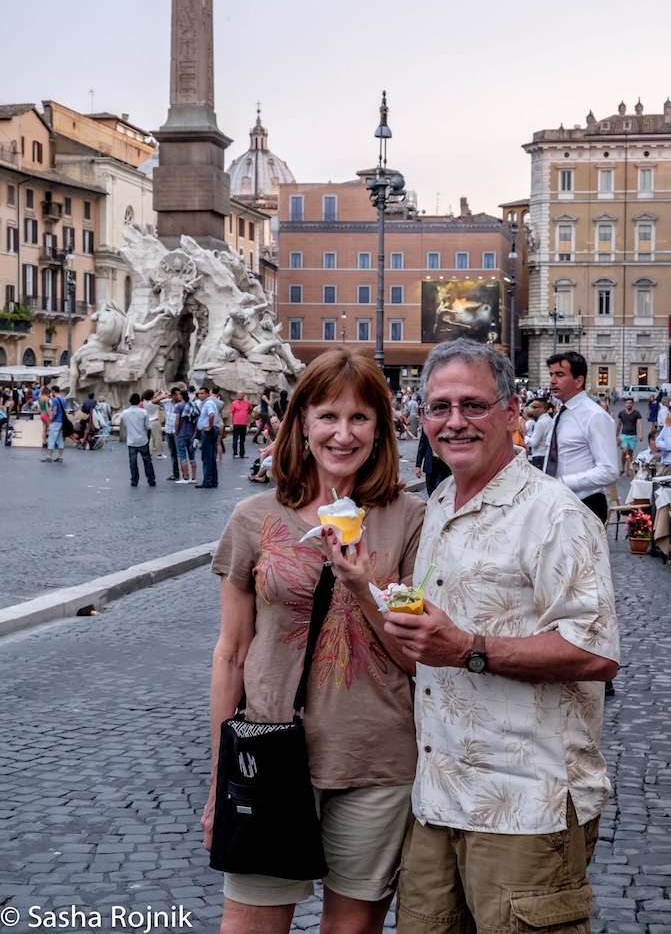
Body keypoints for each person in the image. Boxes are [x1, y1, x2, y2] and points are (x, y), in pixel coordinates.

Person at [383, 338, 619, 934]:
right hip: (437, 797)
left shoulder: (555, 513)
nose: (454, 422)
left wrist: (467, 649)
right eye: (439, 407)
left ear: (512, 413)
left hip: (526, 806)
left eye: (473, 405)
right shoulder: (437, 501)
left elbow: (595, 654)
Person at [202, 347, 425, 934]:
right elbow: (230, 653)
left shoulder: (410, 520)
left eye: (359, 418)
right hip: (270, 756)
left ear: (381, 428)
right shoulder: (254, 519)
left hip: (375, 760)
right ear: (302, 421)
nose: (343, 434)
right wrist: (219, 778)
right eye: (328, 416)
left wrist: (361, 585)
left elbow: (414, 656)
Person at [544, 351, 619, 525]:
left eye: (560, 374)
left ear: (579, 380)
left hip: (585, 505)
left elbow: (609, 471)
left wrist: (562, 482)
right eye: (551, 374)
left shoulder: (595, 416)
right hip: (559, 502)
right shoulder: (561, 413)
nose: (552, 380)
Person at [120, 393, 156, 488]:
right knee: (147, 460)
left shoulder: (124, 413)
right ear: (139, 401)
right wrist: (147, 439)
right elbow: (148, 427)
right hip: (142, 439)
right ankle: (151, 479)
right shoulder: (143, 412)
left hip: (131, 440)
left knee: (133, 461)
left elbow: (124, 424)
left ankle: (134, 480)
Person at [415, 427, 450, 496]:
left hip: (444, 463)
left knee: (441, 488)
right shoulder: (426, 426)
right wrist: (418, 465)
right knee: (430, 489)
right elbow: (422, 445)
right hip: (431, 462)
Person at [195, 386, 219, 489]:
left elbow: (211, 415)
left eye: (202, 393)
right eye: (199, 393)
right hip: (212, 431)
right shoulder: (209, 403)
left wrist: (209, 426)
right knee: (211, 457)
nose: (200, 395)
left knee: (207, 457)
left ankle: (207, 481)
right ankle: (213, 480)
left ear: (208, 393)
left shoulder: (208, 403)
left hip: (208, 432)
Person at [157, 387, 182, 480]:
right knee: (173, 454)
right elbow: (153, 402)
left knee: (181, 453)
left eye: (179, 394)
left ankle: (185, 473)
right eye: (176, 394)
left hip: (178, 432)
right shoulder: (166, 402)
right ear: (172, 395)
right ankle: (175, 473)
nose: (178, 396)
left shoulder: (181, 404)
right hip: (168, 430)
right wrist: (163, 396)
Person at [174, 389, 198, 484]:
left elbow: (177, 421)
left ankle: (185, 477)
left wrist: (176, 432)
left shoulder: (179, 407)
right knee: (192, 456)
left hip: (181, 433)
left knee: (182, 456)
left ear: (181, 396)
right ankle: (194, 477)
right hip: (191, 433)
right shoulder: (193, 405)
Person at [616, 397, 643, 476]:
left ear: (632, 404)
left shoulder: (636, 413)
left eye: (630, 403)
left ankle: (628, 469)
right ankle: (622, 468)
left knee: (630, 454)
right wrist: (616, 435)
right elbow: (619, 424)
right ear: (625, 404)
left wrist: (641, 434)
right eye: (627, 403)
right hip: (623, 435)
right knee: (624, 451)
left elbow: (640, 424)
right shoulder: (621, 413)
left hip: (633, 436)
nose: (629, 405)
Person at [41, 386, 67, 464]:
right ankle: (60, 456)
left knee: (52, 438)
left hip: (56, 421)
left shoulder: (55, 400)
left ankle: (49, 456)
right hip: (62, 421)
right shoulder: (63, 399)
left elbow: (55, 412)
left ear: (53, 391)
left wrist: (51, 420)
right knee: (60, 439)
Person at [526, 396, 553, 469]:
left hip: (539, 456)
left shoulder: (541, 422)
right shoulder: (550, 420)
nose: (533, 410)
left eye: (535, 407)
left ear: (542, 409)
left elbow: (534, 443)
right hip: (546, 455)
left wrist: (524, 435)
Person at [229, 390, 253, 460]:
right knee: (235, 439)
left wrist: (249, 423)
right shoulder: (234, 403)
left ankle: (242, 453)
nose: (239, 396)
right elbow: (231, 413)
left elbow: (250, 411)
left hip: (244, 423)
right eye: (238, 394)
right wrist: (231, 423)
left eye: (241, 394)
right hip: (236, 423)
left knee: (242, 439)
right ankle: (235, 453)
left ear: (243, 395)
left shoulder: (247, 403)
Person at [141, 389, 164, 459]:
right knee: (158, 438)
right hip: (155, 421)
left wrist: (156, 394)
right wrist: (162, 393)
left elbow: (153, 398)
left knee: (150, 438)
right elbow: (160, 398)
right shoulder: (153, 403)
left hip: (148, 421)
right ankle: (160, 453)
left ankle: (150, 452)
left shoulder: (144, 401)